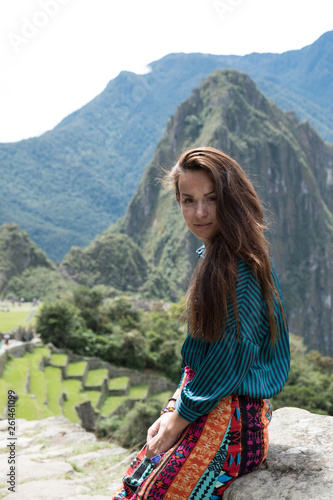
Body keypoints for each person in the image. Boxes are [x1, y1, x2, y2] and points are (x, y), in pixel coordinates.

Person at [112, 147, 290, 499]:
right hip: (207, 401)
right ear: (177, 202)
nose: (200, 212)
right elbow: (201, 356)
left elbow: (230, 359)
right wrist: (176, 405)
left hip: (234, 420)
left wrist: (180, 416)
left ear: (232, 198)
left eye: (211, 198)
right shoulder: (215, 256)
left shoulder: (238, 267)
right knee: (134, 486)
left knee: (149, 493)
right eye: (188, 200)